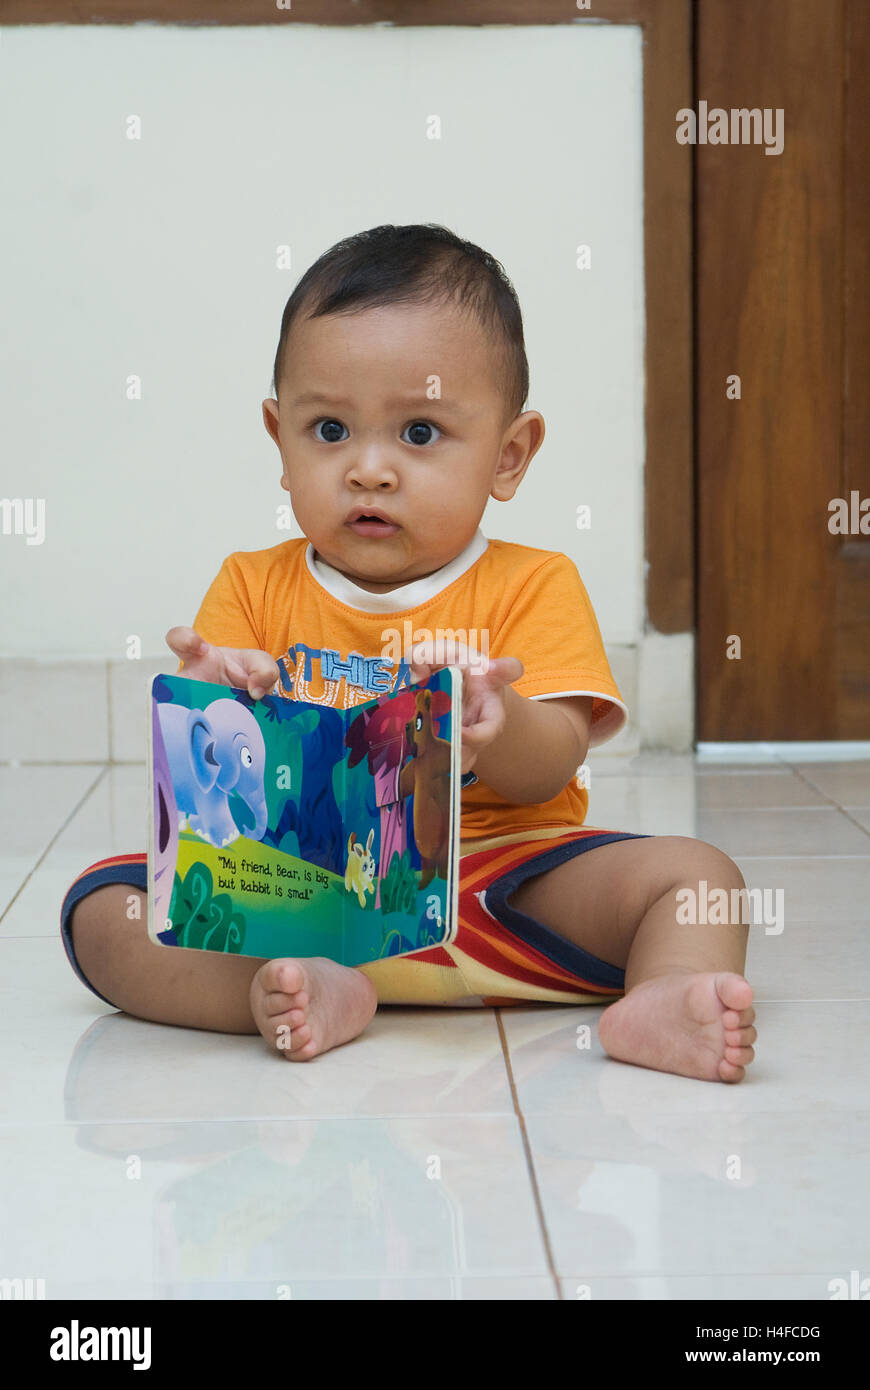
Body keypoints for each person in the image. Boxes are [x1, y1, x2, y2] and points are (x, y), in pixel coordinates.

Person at [61, 224, 756, 1083]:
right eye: (329, 430)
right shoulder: (249, 586)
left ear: (509, 456)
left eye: (419, 434)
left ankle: (667, 994)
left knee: (698, 875)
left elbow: (554, 769)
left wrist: (501, 730)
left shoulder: (535, 584)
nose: (370, 470)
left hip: (495, 884)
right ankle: (287, 991)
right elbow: (217, 808)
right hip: (302, 894)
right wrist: (209, 703)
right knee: (102, 905)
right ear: (280, 440)